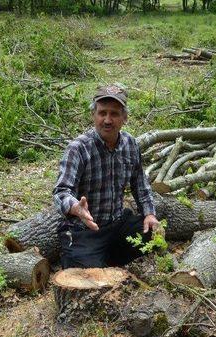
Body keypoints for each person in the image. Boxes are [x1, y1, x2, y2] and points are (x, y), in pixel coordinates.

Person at [53, 85, 159, 269]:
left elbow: (140, 185)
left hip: (117, 225)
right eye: (102, 113)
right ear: (93, 114)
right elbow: (61, 192)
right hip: (85, 230)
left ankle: (106, 256)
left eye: (114, 114)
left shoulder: (130, 144)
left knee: (152, 234)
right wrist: (76, 208)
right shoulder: (78, 148)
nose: (107, 120)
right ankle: (95, 257)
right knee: (84, 272)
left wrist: (149, 213)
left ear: (124, 118)